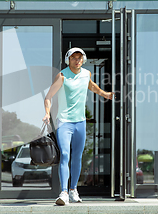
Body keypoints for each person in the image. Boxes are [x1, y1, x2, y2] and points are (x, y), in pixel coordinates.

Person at [43, 47, 114, 205]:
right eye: (74, 57)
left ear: (84, 59)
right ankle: (64, 193)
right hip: (64, 122)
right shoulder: (62, 76)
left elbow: (91, 86)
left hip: (81, 122)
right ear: (68, 59)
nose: (77, 60)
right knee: (66, 155)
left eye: (80, 58)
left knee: (77, 157)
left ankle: (74, 189)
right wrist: (47, 113)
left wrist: (105, 94)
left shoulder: (86, 74)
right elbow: (48, 97)